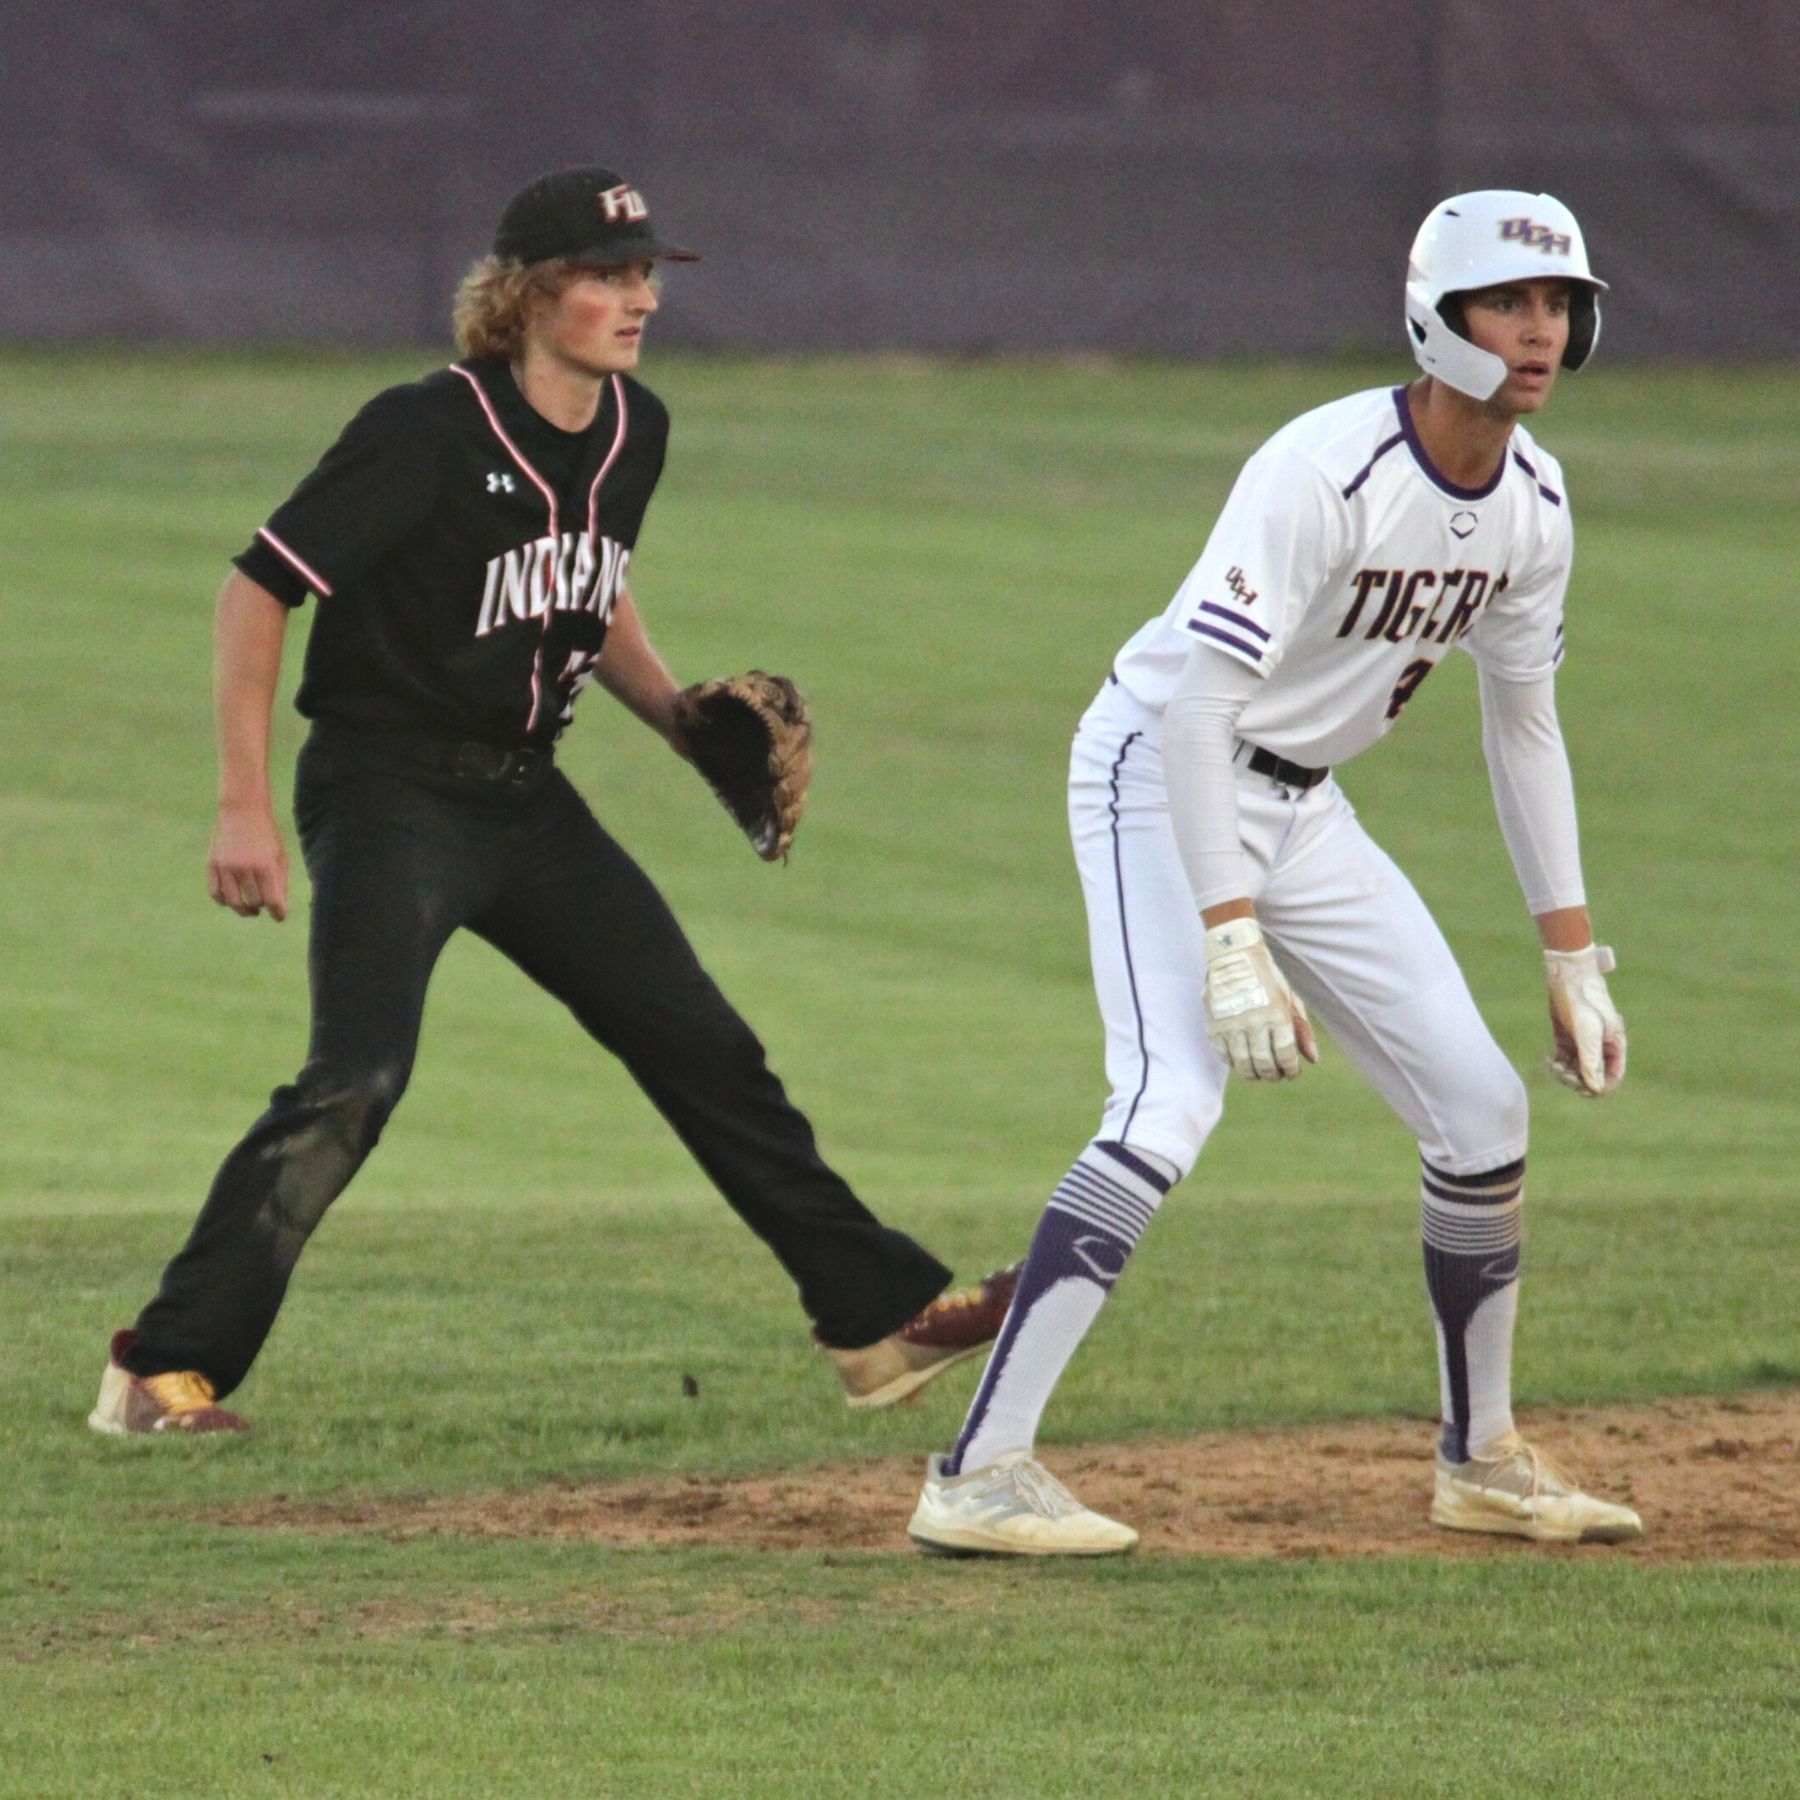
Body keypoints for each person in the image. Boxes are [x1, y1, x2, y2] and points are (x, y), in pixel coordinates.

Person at [90, 166, 1015, 1436]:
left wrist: (682, 722)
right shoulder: (423, 430)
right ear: (528, 296)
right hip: (387, 788)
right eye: (606, 276)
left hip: (526, 800)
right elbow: (260, 588)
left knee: (706, 1046)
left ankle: (874, 1317)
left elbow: (590, 588)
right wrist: (240, 805)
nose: (638, 299)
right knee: (356, 1080)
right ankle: (161, 1371)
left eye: (646, 275)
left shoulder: (637, 431)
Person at [907, 190, 1642, 1555]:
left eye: (1561, 307)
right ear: (1440, 317)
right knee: (1171, 1096)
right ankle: (977, 1472)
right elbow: (1194, 707)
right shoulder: (1327, 467)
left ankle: (1480, 1460)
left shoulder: (1535, 504)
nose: (1540, 332)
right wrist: (1229, 936)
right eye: (1511, 304)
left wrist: (1569, 952)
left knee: (1483, 1112)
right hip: (1159, 771)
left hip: (1302, 809)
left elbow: (1522, 725)